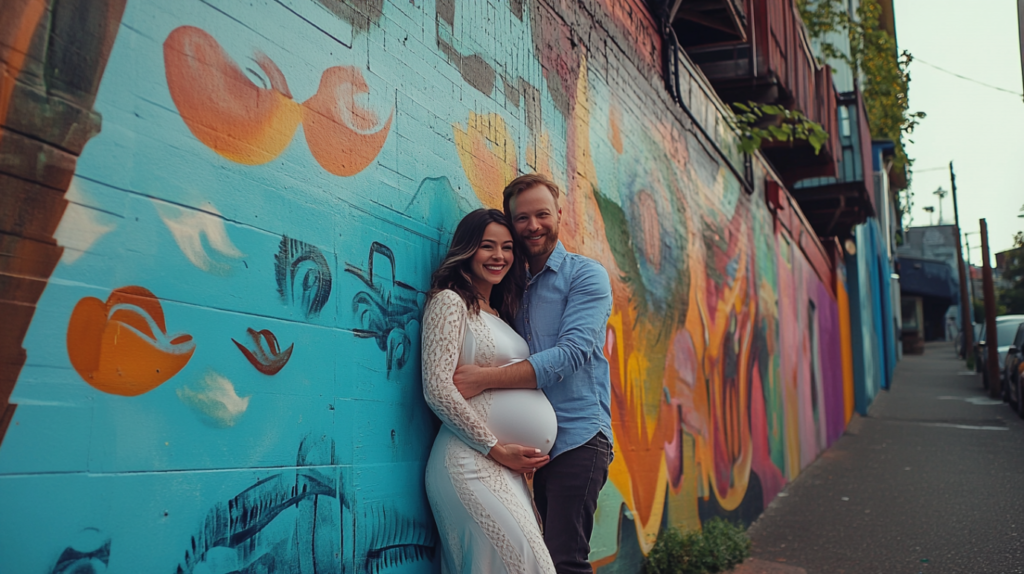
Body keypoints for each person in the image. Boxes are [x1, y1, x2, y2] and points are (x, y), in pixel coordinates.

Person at [454, 175, 613, 574]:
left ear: (558, 215)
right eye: (521, 218)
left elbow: (571, 355)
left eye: (542, 214)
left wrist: (485, 379)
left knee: (563, 561)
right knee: (534, 560)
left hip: (579, 439)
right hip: (528, 452)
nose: (533, 225)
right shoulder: (509, 282)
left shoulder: (586, 276)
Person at [421, 208, 559, 574]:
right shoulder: (450, 302)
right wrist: (497, 449)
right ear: (467, 250)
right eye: (487, 246)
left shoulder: (497, 313)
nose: (499, 256)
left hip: (503, 467)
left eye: (507, 248)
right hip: (470, 461)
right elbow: (437, 389)